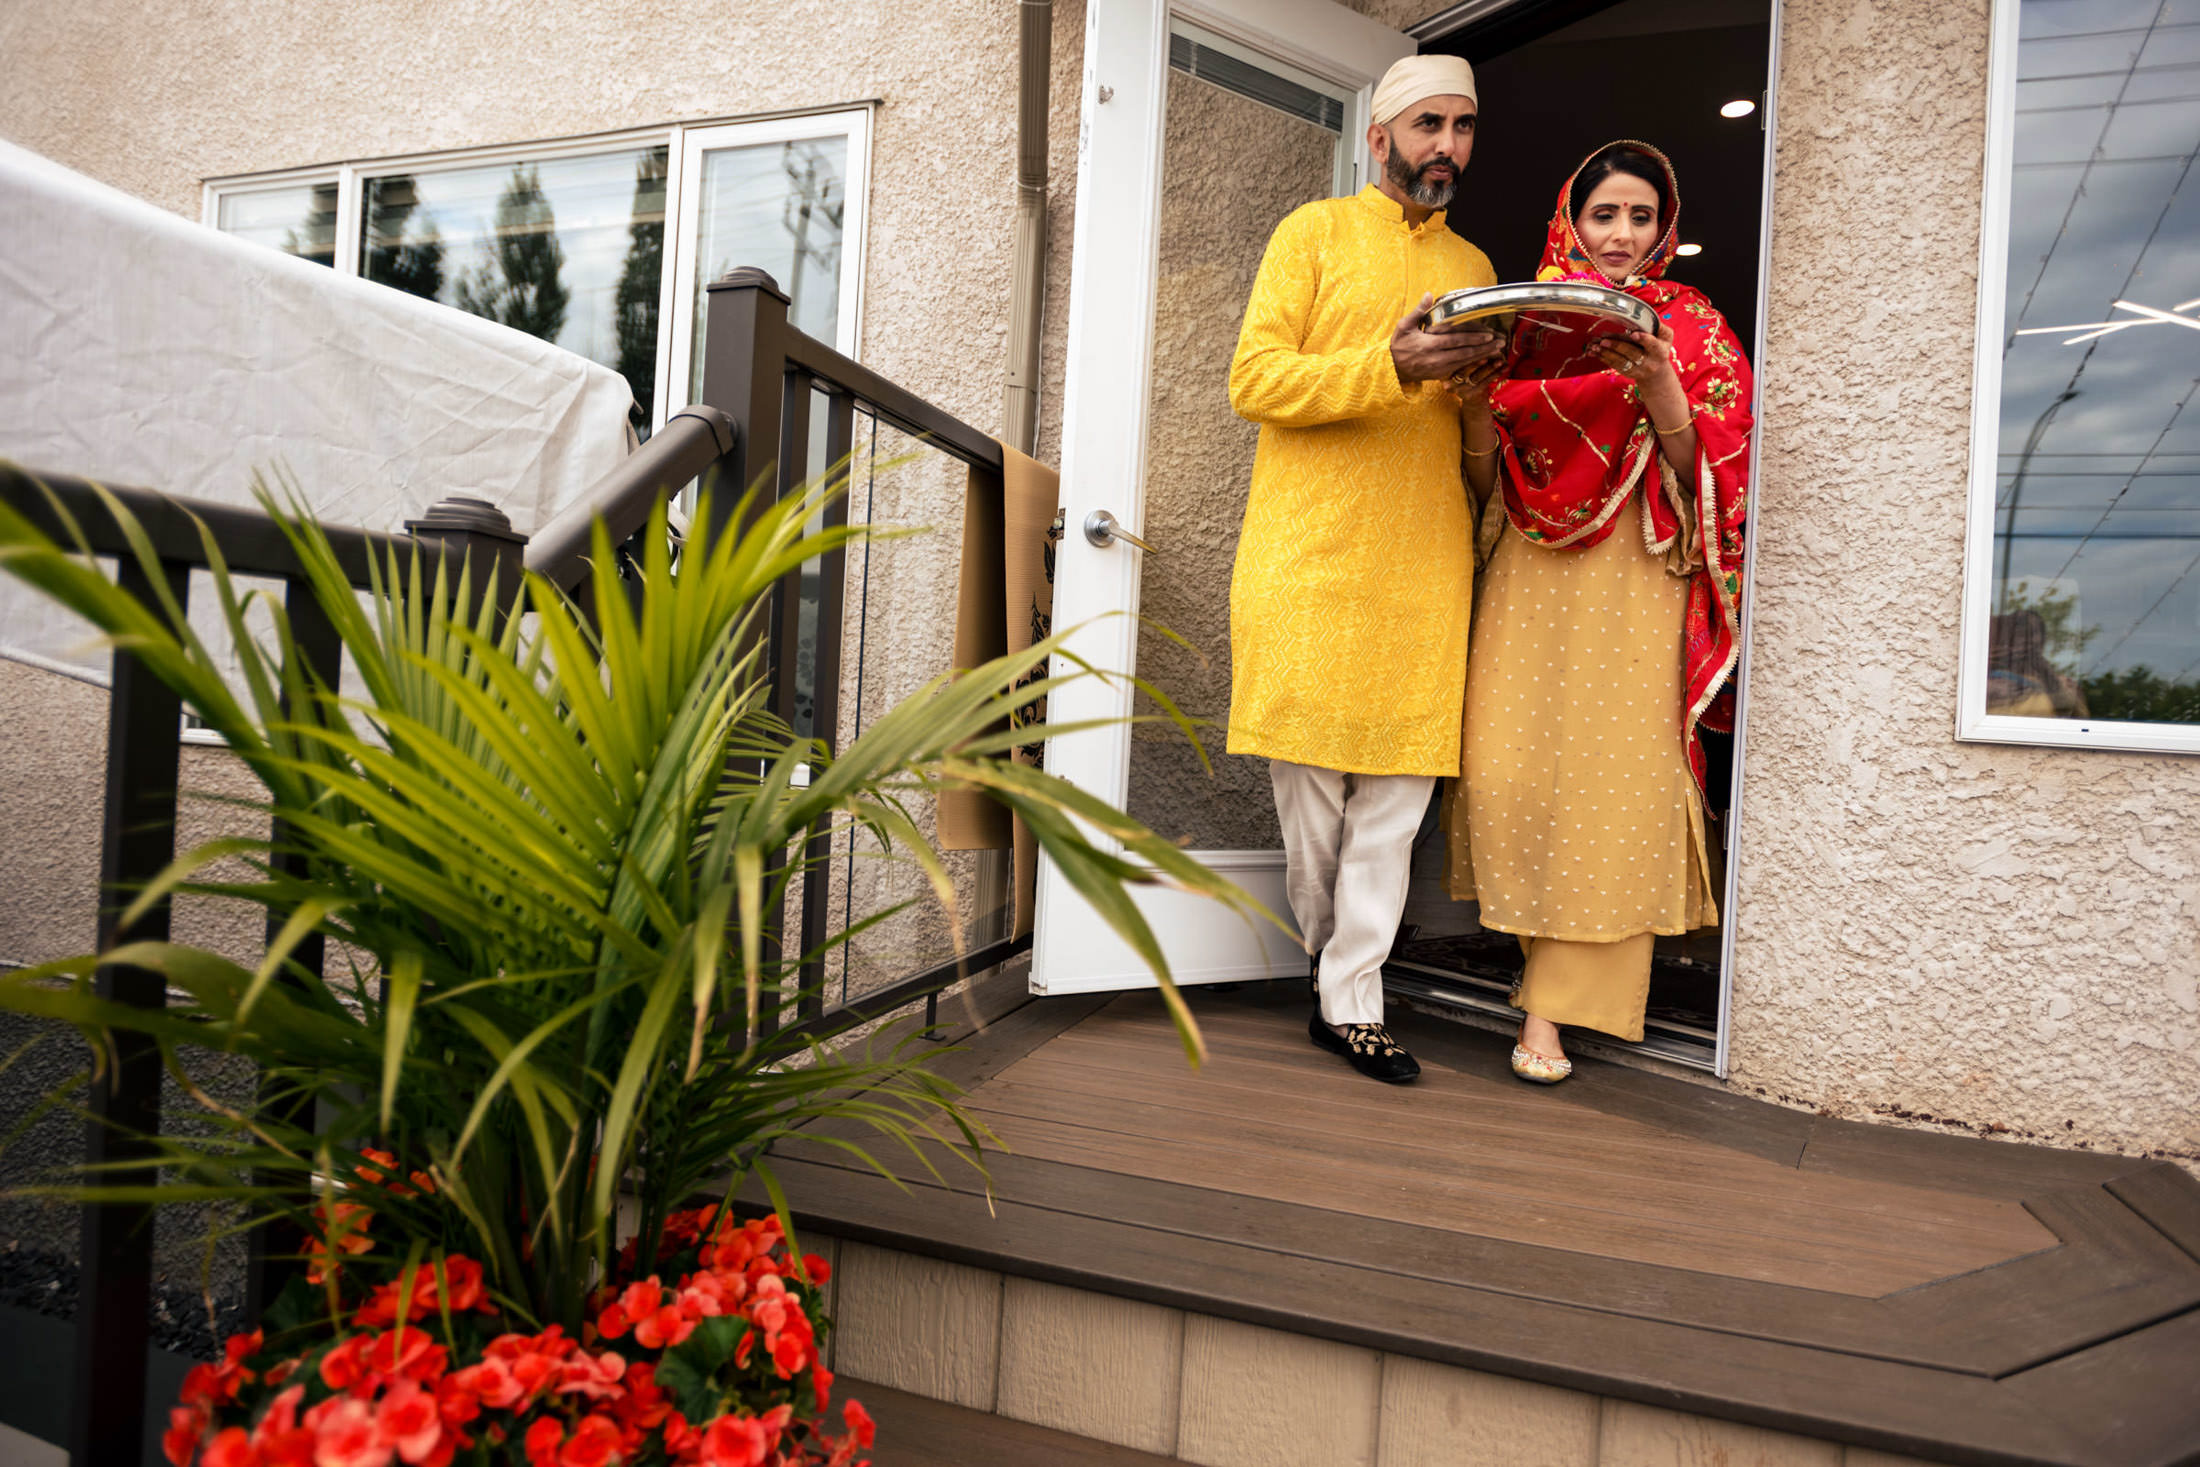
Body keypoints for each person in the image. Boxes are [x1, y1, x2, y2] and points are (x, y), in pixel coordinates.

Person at [1448, 140, 1753, 1083]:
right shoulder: (1530, 323)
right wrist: (1471, 403)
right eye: (1604, 216)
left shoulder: (1691, 325)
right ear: (1569, 222)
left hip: (1636, 572)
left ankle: (1551, 1013)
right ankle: (1533, 967)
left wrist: (1662, 387)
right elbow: (1483, 484)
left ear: (1666, 229)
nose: (1622, 236)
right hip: (1530, 572)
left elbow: (1723, 486)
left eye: (1642, 218)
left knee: (1610, 788)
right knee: (1511, 773)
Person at [1226, 54, 1503, 1083]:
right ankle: (1328, 964)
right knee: (1311, 796)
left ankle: (1351, 1000)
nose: (1447, 146)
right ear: (1379, 135)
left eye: (1463, 127)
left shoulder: (1477, 268)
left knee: (1395, 798)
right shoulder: (1312, 233)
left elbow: (1471, 443)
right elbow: (1252, 379)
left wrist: (1480, 388)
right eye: (1428, 124)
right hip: (1310, 553)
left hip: (1424, 557)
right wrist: (1387, 364)